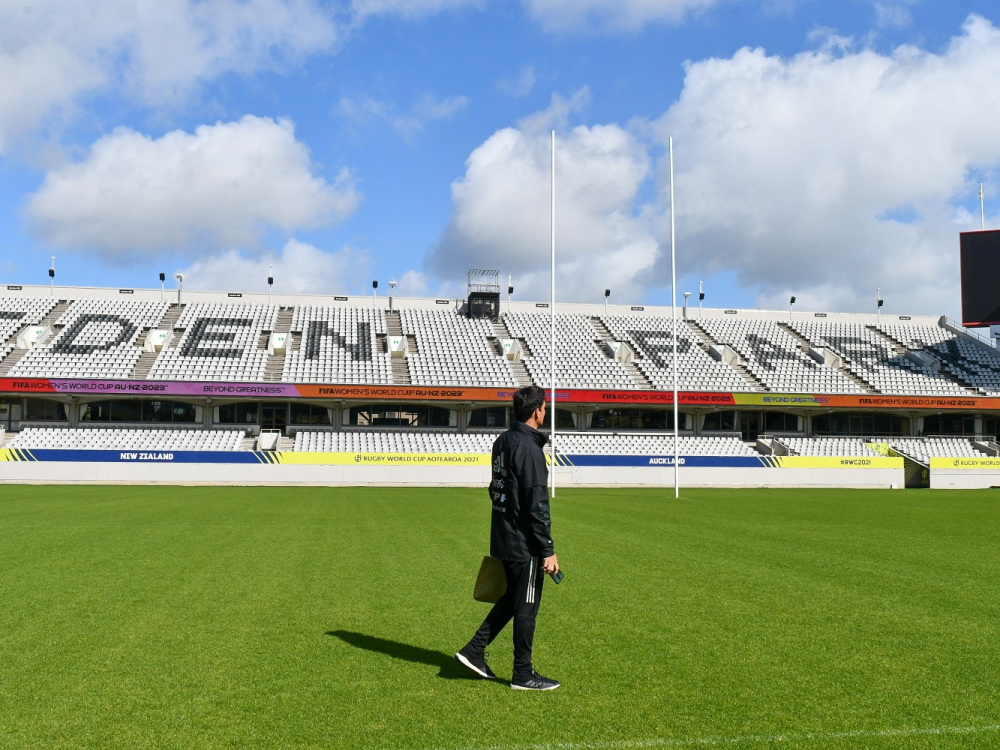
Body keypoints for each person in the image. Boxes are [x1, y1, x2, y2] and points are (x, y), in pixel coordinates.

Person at [456, 385, 560, 690]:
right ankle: (523, 674)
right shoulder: (529, 449)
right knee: (526, 606)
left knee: (511, 599)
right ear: (536, 410)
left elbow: (495, 489)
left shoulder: (502, 441)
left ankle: (474, 650)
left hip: (503, 535)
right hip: (523, 543)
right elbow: (536, 503)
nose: (546, 411)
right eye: (544, 406)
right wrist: (547, 549)